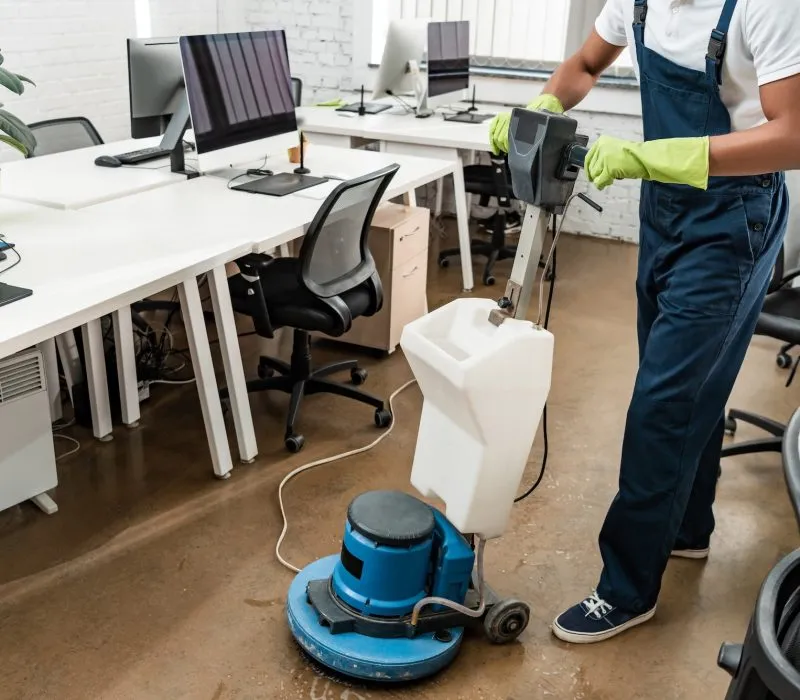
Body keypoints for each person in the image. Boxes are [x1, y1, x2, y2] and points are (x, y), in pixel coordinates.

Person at [490, 0, 800, 644]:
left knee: (662, 403)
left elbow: (793, 135)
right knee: (687, 388)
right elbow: (583, 63)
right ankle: (685, 529)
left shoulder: (767, 7)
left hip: (732, 218)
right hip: (665, 214)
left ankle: (626, 589)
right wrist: (545, 105)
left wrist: (656, 158)